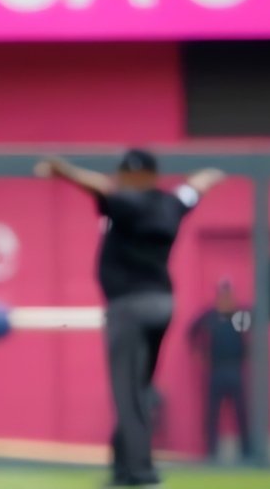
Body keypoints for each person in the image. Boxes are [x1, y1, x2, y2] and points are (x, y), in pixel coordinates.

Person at [35, 149, 226, 488]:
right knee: (139, 389)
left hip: (129, 307)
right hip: (162, 304)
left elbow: (98, 186)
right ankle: (123, 468)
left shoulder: (127, 203)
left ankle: (141, 474)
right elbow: (195, 186)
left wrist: (62, 169)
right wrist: (212, 173)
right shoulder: (170, 203)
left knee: (129, 393)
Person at [188, 280, 252, 462]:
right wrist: (199, 353)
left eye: (228, 295)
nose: (226, 298)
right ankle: (212, 452)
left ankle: (247, 451)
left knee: (241, 412)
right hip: (216, 370)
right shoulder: (209, 316)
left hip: (235, 369)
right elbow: (192, 331)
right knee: (212, 412)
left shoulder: (240, 315)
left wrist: (247, 353)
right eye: (222, 295)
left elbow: (250, 333)